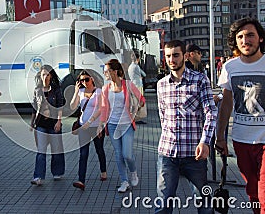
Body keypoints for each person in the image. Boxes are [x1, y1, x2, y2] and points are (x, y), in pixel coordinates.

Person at [155, 40, 217, 213]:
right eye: (168, 56)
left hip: (194, 155)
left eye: (175, 55)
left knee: (204, 202)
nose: (171, 59)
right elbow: (163, 116)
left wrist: (205, 142)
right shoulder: (161, 85)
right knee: (163, 203)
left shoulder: (199, 80)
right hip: (167, 154)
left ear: (184, 55)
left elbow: (211, 112)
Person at [216, 17, 265, 214]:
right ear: (235, 42)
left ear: (260, 38)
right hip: (241, 140)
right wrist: (220, 137)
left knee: (264, 193)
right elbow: (226, 104)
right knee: (252, 191)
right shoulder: (230, 67)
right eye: (240, 37)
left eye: (250, 35)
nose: (246, 40)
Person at [100, 59, 145, 193]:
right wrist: (101, 125)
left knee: (127, 155)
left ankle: (133, 172)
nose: (105, 74)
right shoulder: (105, 89)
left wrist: (139, 105)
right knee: (119, 155)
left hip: (127, 125)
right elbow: (103, 108)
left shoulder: (128, 85)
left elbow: (141, 99)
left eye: (107, 71)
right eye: (105, 72)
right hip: (113, 125)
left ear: (115, 71)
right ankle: (124, 181)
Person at [70, 70, 107, 190]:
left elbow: (100, 109)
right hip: (82, 127)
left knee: (99, 150)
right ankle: (81, 180)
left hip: (95, 127)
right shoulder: (80, 92)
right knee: (83, 153)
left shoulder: (99, 92)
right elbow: (72, 106)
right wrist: (76, 92)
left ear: (92, 79)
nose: (84, 82)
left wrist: (92, 122)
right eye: (82, 80)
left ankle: (103, 171)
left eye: (86, 79)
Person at [30, 64, 65, 186]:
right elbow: (35, 107)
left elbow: (60, 105)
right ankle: (38, 176)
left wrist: (59, 121)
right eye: (43, 74)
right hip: (41, 124)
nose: (45, 77)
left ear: (51, 76)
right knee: (41, 151)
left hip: (54, 123)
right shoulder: (37, 90)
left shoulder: (56, 89)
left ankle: (57, 172)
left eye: (47, 74)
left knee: (56, 150)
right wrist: (32, 121)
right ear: (40, 75)